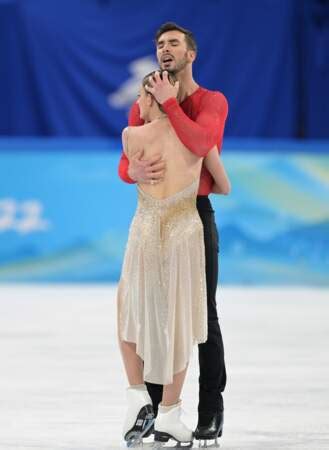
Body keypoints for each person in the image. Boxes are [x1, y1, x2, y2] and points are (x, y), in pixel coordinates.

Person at [118, 22, 229, 445]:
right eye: (160, 45)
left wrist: (172, 104)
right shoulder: (144, 102)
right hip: (151, 217)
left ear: (190, 54)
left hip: (193, 215)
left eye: (173, 44)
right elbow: (126, 161)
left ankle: (210, 409)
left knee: (201, 314)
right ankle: (155, 410)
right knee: (148, 312)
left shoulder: (210, 101)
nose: (165, 50)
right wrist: (133, 171)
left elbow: (201, 144)